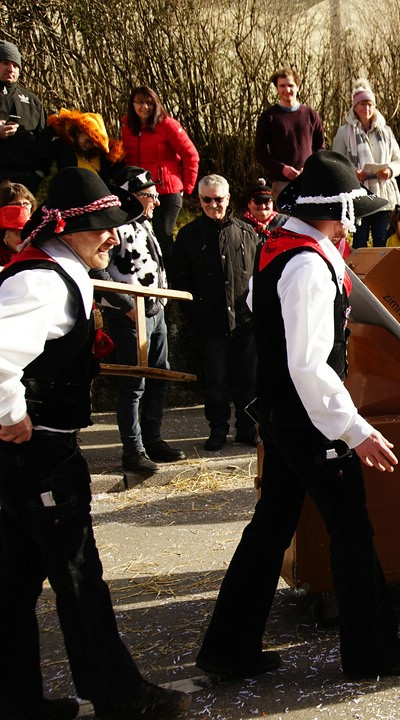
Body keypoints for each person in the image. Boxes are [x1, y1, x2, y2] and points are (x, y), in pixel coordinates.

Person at [196, 150, 400, 681]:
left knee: (272, 524)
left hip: (283, 413)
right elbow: (309, 364)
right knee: (350, 526)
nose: (356, 223)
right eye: (353, 213)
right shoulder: (306, 263)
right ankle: (372, 650)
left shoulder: (283, 247)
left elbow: (259, 305)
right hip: (306, 419)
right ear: (337, 212)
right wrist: (354, 429)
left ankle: (228, 649)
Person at [0, 167, 191, 720]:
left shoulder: (58, 269)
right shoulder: (40, 280)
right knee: (79, 575)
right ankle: (120, 697)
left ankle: (15, 701)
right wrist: (11, 414)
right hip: (42, 453)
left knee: (14, 581)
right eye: (104, 226)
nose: (114, 235)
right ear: (69, 228)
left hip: (33, 455)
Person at [95, 166, 185, 475]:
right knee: (134, 383)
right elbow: (98, 271)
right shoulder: (115, 226)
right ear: (134, 196)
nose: (157, 203)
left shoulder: (144, 223)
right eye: (151, 196)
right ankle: (133, 450)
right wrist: (126, 305)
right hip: (130, 316)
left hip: (155, 311)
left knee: (160, 376)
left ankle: (153, 438)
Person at [170, 175, 258, 450]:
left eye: (218, 199)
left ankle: (246, 427)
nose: (213, 205)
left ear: (228, 199)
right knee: (215, 381)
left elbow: (258, 276)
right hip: (210, 323)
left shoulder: (247, 232)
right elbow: (180, 280)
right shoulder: (188, 235)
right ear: (199, 200)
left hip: (245, 322)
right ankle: (218, 429)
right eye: (206, 200)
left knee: (249, 380)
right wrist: (195, 313)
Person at [120, 85, 199, 261]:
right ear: (132, 104)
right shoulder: (127, 127)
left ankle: (172, 278)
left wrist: (188, 187)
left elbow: (191, 154)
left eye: (149, 102)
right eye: (139, 102)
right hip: (138, 192)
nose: (144, 107)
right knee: (138, 235)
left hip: (166, 191)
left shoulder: (168, 125)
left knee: (164, 235)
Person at [331, 80, 400, 248]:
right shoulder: (344, 132)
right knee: (360, 240)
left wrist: (390, 171)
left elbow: (398, 160)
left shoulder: (386, 131)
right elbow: (336, 161)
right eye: (362, 104)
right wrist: (352, 173)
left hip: (382, 194)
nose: (367, 108)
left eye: (370, 104)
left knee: (381, 239)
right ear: (355, 107)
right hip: (358, 194)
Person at [254, 68, 326, 199]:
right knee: (286, 220)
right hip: (282, 183)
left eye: (290, 85)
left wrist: (310, 168)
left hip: (309, 181)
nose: (287, 90)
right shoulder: (269, 117)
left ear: (298, 86)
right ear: (277, 88)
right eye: (282, 86)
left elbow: (321, 147)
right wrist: (282, 168)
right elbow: (260, 152)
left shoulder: (311, 115)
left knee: (309, 219)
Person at [0, 41, 50, 193]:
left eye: (15, 65)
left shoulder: (32, 101)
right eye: (4, 63)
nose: (10, 69)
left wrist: (38, 174)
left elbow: (43, 142)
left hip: (25, 184)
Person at [46, 108, 123, 177]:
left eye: (93, 143)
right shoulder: (63, 148)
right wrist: (51, 130)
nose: (89, 145)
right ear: (79, 132)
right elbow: (41, 152)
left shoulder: (102, 157)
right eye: (88, 140)